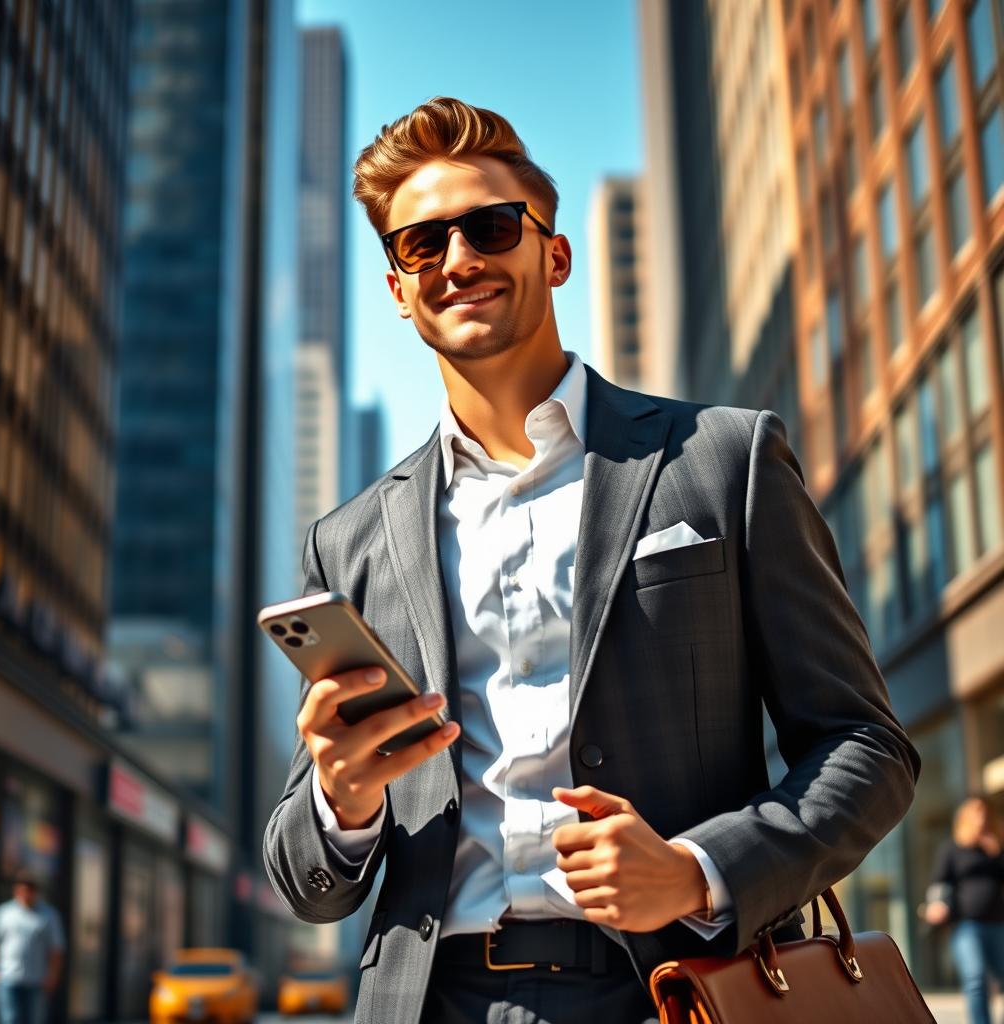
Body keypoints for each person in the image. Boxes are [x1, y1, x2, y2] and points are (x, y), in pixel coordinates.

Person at [263, 96, 920, 1024]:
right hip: (431, 1001)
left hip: (676, 990)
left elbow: (869, 746)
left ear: (554, 254)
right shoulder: (349, 540)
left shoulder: (722, 460)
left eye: (491, 228)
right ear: (398, 292)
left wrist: (699, 872)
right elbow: (310, 885)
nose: (458, 260)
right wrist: (340, 794)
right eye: (422, 246)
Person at [924, 797, 1004, 1024]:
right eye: (976, 814)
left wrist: (997, 852)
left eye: (984, 814)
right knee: (975, 977)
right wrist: (937, 904)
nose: (981, 819)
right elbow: (939, 882)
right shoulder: (953, 848)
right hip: (967, 925)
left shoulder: (996, 848)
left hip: (998, 922)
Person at [0, 869, 65, 1024]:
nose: (26, 892)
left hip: (36, 980)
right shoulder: (4, 912)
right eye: (22, 887)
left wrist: (53, 976)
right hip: (7, 977)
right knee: (9, 1019)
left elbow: (56, 948)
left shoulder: (48, 915)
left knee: (34, 1020)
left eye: (30, 888)